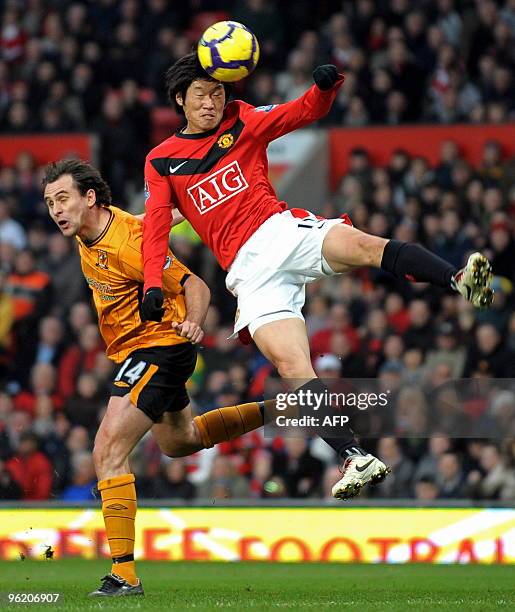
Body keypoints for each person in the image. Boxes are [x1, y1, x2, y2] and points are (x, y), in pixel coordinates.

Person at [141, 53, 494, 501]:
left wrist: (324, 89)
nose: (211, 103)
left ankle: (458, 278)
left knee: (365, 245)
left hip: (282, 230)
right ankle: (353, 456)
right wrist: (153, 283)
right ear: (180, 100)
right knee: (293, 368)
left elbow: (303, 111)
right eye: (200, 95)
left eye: (217, 93)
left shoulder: (244, 121)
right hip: (249, 272)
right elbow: (154, 227)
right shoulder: (162, 160)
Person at [42, 159, 268, 597]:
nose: (56, 210)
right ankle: (282, 408)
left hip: (160, 346)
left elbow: (196, 286)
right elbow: (149, 221)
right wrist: (180, 210)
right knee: (178, 442)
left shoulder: (130, 242)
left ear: (90, 198)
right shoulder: (95, 228)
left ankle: (124, 575)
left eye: (63, 198)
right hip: (140, 350)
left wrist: (195, 325)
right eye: (51, 202)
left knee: (107, 450)